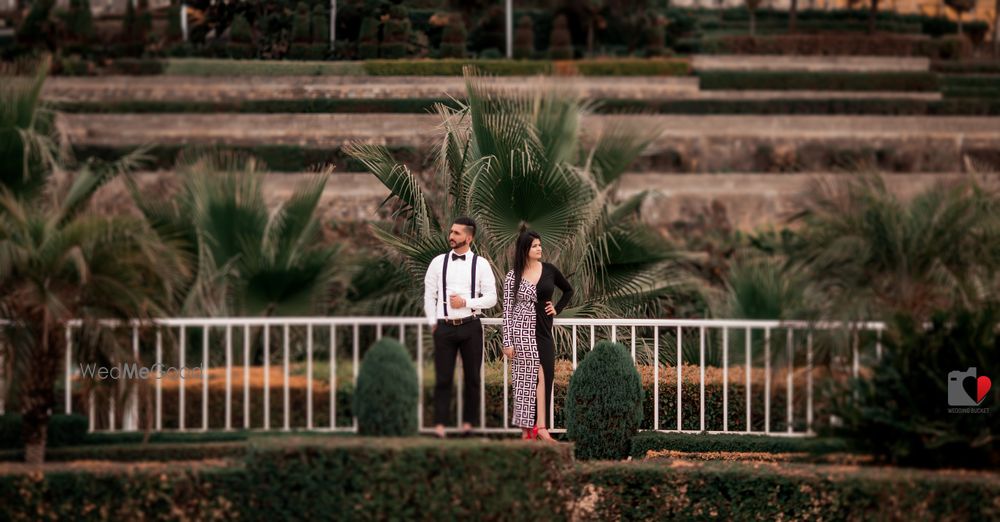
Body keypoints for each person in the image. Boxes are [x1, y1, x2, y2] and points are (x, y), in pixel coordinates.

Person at [424, 217, 498, 439]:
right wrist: (432, 322)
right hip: (444, 328)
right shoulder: (437, 262)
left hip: (470, 327)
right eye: (451, 232)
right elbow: (429, 295)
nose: (451, 236)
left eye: (456, 233)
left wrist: (466, 302)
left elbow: (492, 298)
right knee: (443, 378)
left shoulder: (482, 264)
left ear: (469, 237)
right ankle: (439, 426)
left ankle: (468, 425)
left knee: (473, 379)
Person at [502, 230, 574, 442]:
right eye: (535, 246)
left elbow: (568, 290)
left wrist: (557, 308)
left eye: (540, 245)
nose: (540, 249)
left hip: (543, 330)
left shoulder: (550, 270)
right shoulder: (512, 276)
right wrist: (507, 341)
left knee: (546, 376)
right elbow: (507, 310)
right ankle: (531, 430)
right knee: (525, 380)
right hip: (521, 330)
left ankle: (539, 427)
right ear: (525, 249)